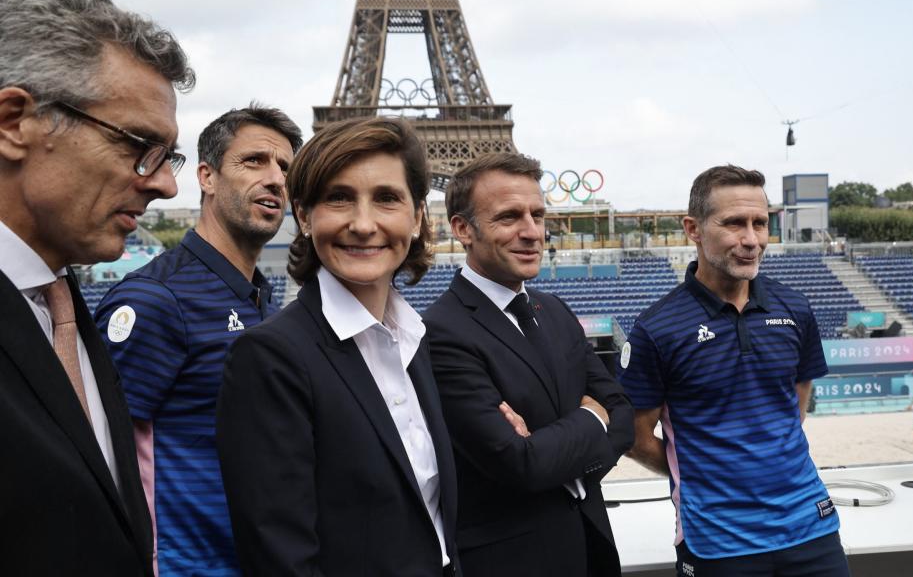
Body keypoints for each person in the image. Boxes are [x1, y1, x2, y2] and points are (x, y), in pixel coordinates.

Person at [0, 0, 193, 574]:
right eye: (139, 144)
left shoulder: (65, 305)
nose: (165, 184)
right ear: (15, 122)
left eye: (168, 157)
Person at [217, 117, 460, 576]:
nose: (363, 224)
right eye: (339, 198)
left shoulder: (414, 341)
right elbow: (280, 559)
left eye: (387, 198)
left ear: (418, 217)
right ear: (305, 217)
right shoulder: (270, 359)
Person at [94, 105, 302, 574]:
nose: (275, 179)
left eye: (285, 168)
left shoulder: (258, 296)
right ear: (206, 177)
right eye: (254, 161)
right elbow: (100, 460)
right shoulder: (156, 300)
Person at [620, 165, 849, 576]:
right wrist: (697, 471)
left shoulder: (795, 309)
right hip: (717, 540)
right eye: (733, 224)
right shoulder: (656, 328)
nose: (751, 240)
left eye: (760, 224)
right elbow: (635, 438)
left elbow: (794, 412)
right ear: (693, 229)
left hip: (811, 526)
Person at [423, 152, 633, 577]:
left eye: (537, 214)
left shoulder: (553, 310)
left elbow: (624, 417)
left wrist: (549, 449)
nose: (531, 232)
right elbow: (520, 464)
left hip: (591, 547)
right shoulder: (440, 332)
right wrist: (592, 418)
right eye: (509, 217)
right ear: (462, 229)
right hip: (511, 562)